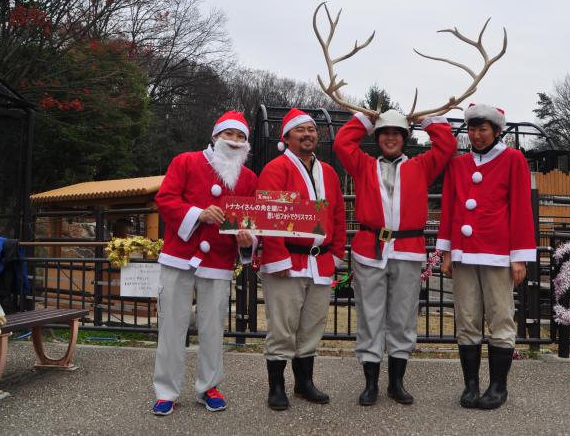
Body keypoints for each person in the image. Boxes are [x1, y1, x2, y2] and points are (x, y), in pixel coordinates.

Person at [333, 109, 456, 406]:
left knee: (402, 317)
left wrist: (427, 121)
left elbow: (447, 146)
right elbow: (342, 144)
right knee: (370, 316)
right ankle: (371, 384)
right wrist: (364, 119)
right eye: (385, 133)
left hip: (407, 250)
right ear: (377, 138)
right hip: (369, 250)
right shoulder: (362, 165)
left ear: (404, 138)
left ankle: (396, 383)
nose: (390, 138)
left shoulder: (421, 166)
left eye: (396, 133)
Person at [151, 111, 258, 416]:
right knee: (171, 325)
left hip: (219, 261)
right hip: (179, 256)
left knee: (213, 327)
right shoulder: (185, 161)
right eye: (229, 135)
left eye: (241, 137)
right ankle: (166, 391)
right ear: (215, 137)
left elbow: (249, 223)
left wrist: (248, 241)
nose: (235, 142)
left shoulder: (249, 179)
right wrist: (197, 213)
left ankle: (208, 386)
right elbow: (166, 199)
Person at [437, 103, 536, 410]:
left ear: (496, 131)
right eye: (472, 129)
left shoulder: (513, 159)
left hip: (497, 253)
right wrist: (447, 252)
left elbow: (521, 208)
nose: (476, 135)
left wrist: (518, 257)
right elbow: (449, 208)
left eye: (483, 130)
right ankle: (470, 386)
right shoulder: (457, 164)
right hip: (464, 254)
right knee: (466, 320)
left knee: (501, 319)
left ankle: (497, 387)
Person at [258, 108, 346, 410]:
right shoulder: (276, 168)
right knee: (283, 327)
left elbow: (337, 215)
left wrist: (337, 253)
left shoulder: (329, 173)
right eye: (301, 130)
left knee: (312, 326)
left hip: (320, 262)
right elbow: (269, 216)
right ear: (287, 137)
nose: (308, 134)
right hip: (288, 262)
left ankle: (304, 383)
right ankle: (277, 387)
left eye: (311, 129)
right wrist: (277, 257)